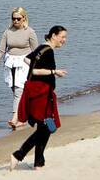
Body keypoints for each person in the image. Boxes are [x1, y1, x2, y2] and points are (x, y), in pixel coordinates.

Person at [10, 25, 68, 170]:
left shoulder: (42, 48)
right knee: (45, 127)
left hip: (41, 92)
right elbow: (35, 70)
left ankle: (38, 163)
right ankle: (18, 154)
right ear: (53, 36)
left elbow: (27, 60)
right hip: (40, 93)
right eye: (62, 37)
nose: (64, 40)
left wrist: (48, 71)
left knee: (46, 126)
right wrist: (54, 71)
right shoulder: (47, 51)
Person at [0, 7, 39, 130]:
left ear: (24, 18)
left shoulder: (30, 32)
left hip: (25, 63)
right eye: (13, 18)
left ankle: (15, 118)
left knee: (19, 90)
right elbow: (1, 50)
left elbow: (36, 52)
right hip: (10, 63)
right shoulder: (7, 32)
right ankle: (25, 115)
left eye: (18, 18)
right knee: (15, 90)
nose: (16, 21)